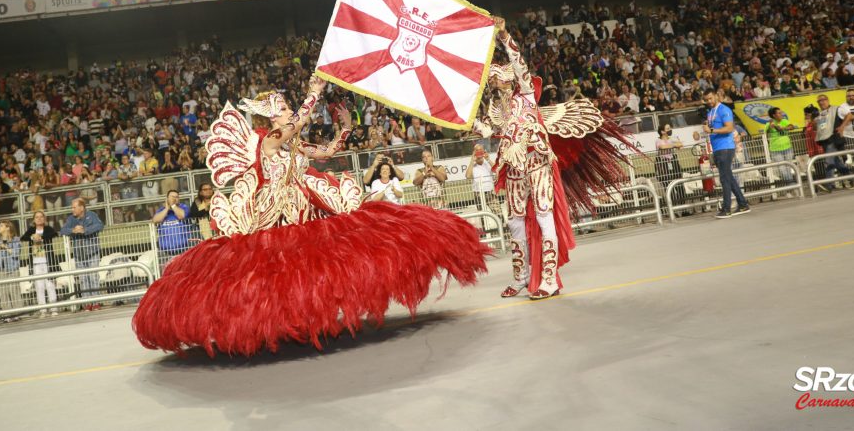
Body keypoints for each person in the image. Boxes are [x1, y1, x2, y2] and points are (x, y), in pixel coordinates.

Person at [133, 76, 490, 357]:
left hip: (300, 216)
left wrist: (346, 128)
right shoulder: (268, 140)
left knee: (311, 272)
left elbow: (327, 150)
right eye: (285, 110)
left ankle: (305, 324)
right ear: (271, 119)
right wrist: (313, 93)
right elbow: (295, 127)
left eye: (290, 109)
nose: (290, 113)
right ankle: (276, 329)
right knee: (272, 280)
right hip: (270, 223)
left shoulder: (291, 143)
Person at [472, 18, 626, 300]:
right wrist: (471, 125)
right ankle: (520, 277)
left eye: (498, 77)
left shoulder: (527, 96)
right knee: (514, 222)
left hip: (538, 163)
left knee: (544, 217)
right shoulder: (497, 108)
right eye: (493, 79)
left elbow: (520, 64)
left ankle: (549, 279)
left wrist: (505, 37)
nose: (495, 81)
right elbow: (489, 130)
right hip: (514, 168)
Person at [702, 89, 750, 218]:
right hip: (717, 148)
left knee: (724, 179)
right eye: (706, 100)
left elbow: (729, 128)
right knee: (729, 177)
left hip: (726, 148)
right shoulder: (711, 112)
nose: (709, 102)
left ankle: (726, 208)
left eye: (711, 98)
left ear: (716, 96)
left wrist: (711, 129)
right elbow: (711, 129)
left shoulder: (724, 110)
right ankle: (743, 204)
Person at [60, 198, 105, 311]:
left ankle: (96, 302)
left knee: (93, 277)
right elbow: (63, 230)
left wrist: (85, 230)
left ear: (82, 208)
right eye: (72, 207)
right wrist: (73, 230)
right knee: (83, 278)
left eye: (74, 207)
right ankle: (86, 303)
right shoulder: (71, 219)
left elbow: (100, 226)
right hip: (79, 254)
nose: (72, 209)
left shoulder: (92, 215)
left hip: (92, 252)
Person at [21, 211, 59, 316]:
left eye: (41, 217)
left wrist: (41, 238)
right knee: (39, 286)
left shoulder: (48, 229)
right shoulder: (31, 230)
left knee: (50, 285)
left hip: (48, 261)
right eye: (37, 217)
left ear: (44, 218)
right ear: (33, 219)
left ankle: (53, 309)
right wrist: (33, 237)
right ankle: (42, 310)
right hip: (36, 262)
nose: (39, 219)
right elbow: (23, 237)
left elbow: (54, 234)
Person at [814, 95, 854, 189]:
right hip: (824, 141)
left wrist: (842, 126)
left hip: (833, 139)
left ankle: (829, 184)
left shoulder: (836, 109)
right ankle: (851, 177)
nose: (821, 102)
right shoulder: (819, 114)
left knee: (829, 161)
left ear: (827, 100)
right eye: (819, 101)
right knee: (837, 163)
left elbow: (849, 115)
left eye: (823, 100)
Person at [0, 220, 23, 318]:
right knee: (4, 293)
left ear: (8, 228)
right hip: (1, 269)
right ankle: (7, 315)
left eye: (1, 226)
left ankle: (18, 313)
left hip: (12, 269)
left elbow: (16, 253)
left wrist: (6, 248)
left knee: (14, 291)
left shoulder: (16, 239)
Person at [152, 190, 191, 269]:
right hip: (165, 253)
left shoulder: (183, 207)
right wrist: (166, 209)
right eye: (172, 197)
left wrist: (173, 205)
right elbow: (155, 220)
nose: (174, 199)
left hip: (183, 250)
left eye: (176, 197)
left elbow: (182, 216)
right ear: (167, 199)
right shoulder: (161, 210)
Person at [765, 107, 796, 189]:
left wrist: (784, 128)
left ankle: (789, 187)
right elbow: (765, 133)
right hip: (775, 150)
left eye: (781, 112)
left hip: (787, 147)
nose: (781, 114)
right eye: (779, 113)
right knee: (782, 169)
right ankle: (792, 185)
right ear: (774, 115)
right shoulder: (769, 123)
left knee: (788, 167)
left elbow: (792, 126)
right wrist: (769, 127)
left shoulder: (784, 121)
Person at [654, 123, 684, 208]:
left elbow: (681, 145)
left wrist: (673, 144)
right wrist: (674, 145)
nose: (670, 130)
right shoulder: (658, 140)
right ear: (662, 131)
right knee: (668, 186)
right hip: (663, 164)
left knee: (679, 185)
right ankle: (672, 208)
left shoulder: (672, 138)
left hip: (673, 162)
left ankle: (683, 207)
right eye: (667, 129)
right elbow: (662, 147)